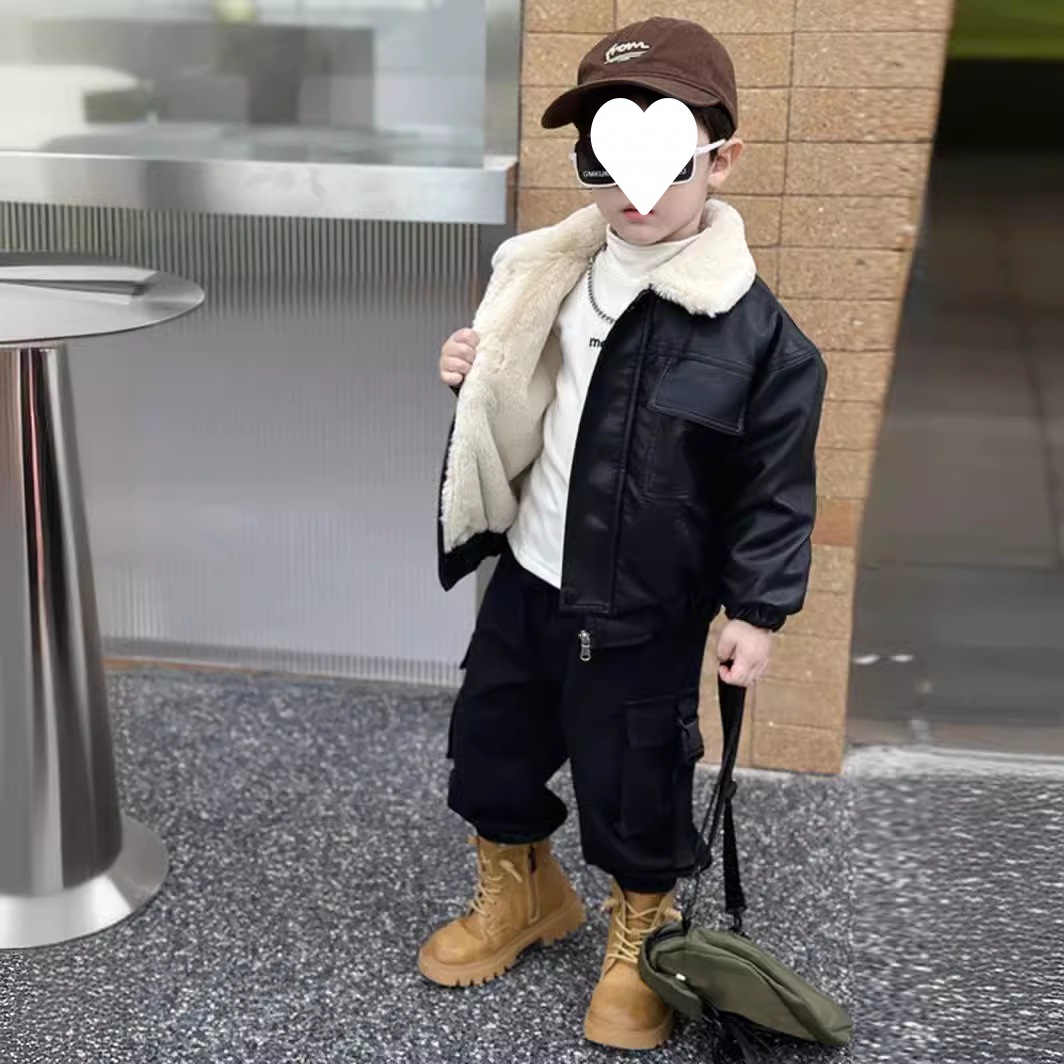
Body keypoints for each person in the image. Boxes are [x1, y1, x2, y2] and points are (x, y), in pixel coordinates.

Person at [419, 15, 826, 1052]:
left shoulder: (759, 339)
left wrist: (758, 610)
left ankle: (639, 932)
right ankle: (524, 894)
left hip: (642, 610)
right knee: (490, 748)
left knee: (634, 781)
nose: (632, 190)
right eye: (603, 161)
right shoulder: (545, 272)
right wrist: (474, 374)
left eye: (663, 160)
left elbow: (774, 489)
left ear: (720, 159)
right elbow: (529, 401)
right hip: (528, 576)